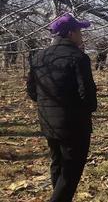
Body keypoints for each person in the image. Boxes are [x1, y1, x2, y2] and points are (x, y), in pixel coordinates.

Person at [27, 13, 97, 202]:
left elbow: (32, 91)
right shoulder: (79, 58)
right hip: (74, 125)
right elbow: (87, 95)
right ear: (70, 33)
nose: (81, 35)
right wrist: (86, 109)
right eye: (79, 31)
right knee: (71, 172)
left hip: (47, 121)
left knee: (58, 164)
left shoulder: (39, 57)